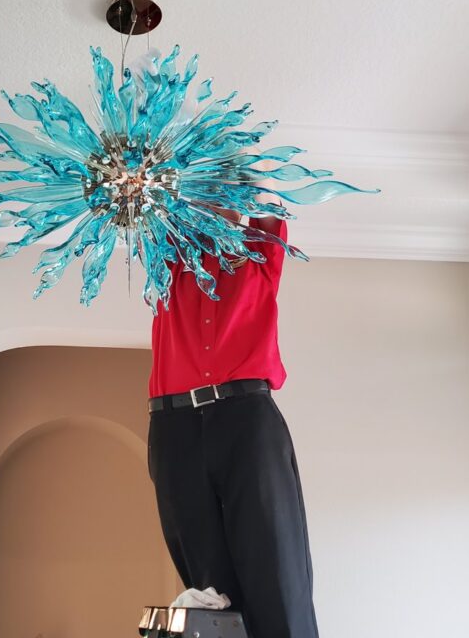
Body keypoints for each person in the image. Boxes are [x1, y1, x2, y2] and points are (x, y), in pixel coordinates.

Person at [147, 205, 320, 638]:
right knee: (208, 586)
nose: (213, 204)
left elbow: (267, 208)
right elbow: (144, 217)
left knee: (276, 564)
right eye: (204, 195)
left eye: (221, 195)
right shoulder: (169, 254)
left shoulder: (260, 251)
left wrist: (234, 182)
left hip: (246, 417)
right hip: (174, 426)